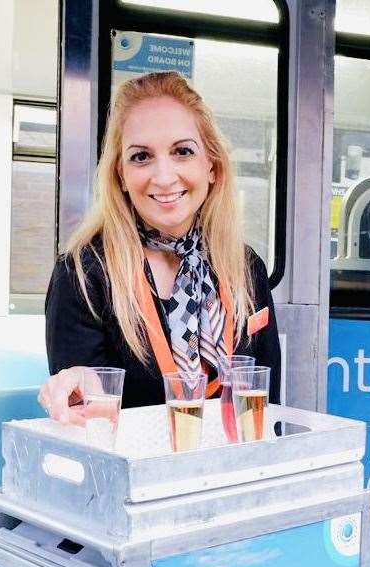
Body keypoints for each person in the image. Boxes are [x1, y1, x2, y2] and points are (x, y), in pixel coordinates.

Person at [40, 71, 282, 423]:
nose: (164, 176)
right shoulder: (82, 275)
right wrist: (83, 385)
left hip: (236, 471)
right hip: (137, 473)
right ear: (120, 175)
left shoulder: (246, 266)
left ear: (211, 166)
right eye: (141, 157)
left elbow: (268, 407)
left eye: (183, 151)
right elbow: (87, 424)